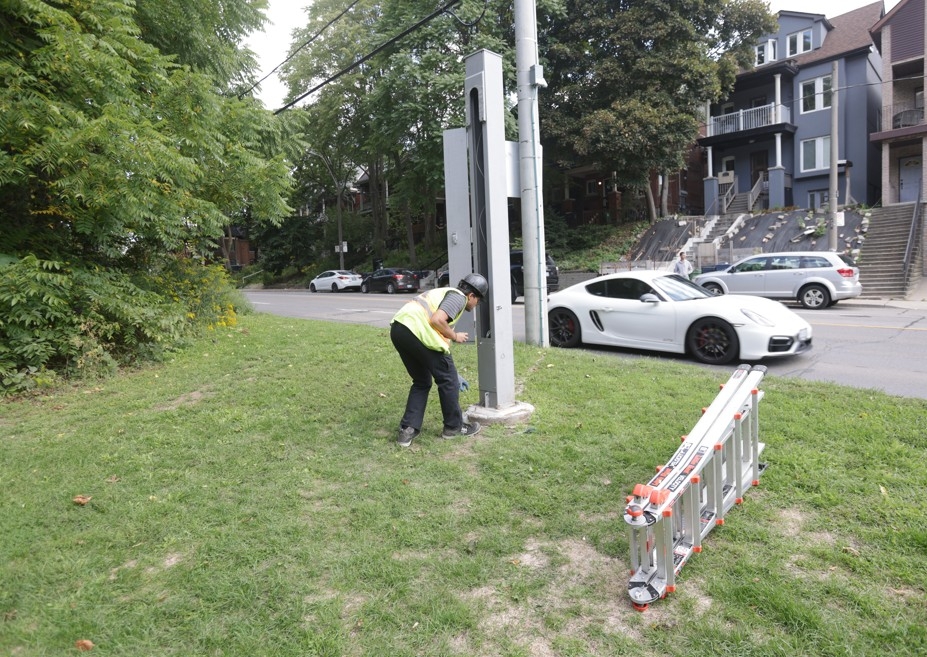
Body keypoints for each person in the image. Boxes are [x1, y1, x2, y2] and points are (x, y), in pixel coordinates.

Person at [390, 273, 488, 447]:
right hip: (417, 331)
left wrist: (453, 373)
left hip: (400, 329)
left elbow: (439, 342)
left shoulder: (443, 295)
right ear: (471, 295)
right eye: (478, 300)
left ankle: (407, 431)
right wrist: (455, 336)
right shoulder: (458, 297)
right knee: (447, 381)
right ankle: (454, 427)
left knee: (422, 381)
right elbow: (437, 320)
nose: (476, 305)